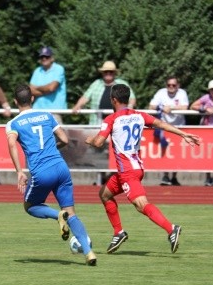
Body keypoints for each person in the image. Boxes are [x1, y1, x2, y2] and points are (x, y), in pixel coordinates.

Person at [85, 84, 201, 255]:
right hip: (135, 168)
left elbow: (98, 143)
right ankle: (118, 232)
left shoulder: (111, 119)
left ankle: (171, 229)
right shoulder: (139, 115)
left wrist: (89, 139)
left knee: (141, 205)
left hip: (127, 172)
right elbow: (161, 123)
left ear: (114, 100)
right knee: (104, 194)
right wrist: (182, 133)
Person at [6, 84, 96, 266]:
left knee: (30, 206)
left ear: (15, 101)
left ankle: (57, 216)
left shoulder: (13, 123)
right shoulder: (46, 115)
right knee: (72, 213)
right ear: (32, 98)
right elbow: (64, 139)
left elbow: (11, 144)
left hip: (41, 172)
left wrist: (19, 172)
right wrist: (53, 149)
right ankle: (89, 252)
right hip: (61, 168)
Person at [71, 60, 136, 185]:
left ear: (114, 73)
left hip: (118, 124)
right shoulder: (96, 84)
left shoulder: (122, 84)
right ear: (102, 73)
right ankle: (101, 177)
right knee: (98, 151)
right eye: (106, 72)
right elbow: (86, 97)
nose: (108, 74)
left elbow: (132, 98)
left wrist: (129, 109)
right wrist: (77, 106)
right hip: (99, 123)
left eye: (111, 72)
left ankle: (111, 178)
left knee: (115, 152)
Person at [148, 76, 190, 186]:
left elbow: (185, 107)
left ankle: (174, 177)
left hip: (178, 127)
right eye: (169, 85)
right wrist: (162, 107)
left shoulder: (182, 93)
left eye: (173, 85)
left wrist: (171, 108)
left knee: (177, 153)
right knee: (165, 152)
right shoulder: (161, 93)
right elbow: (151, 106)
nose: (171, 87)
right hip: (164, 127)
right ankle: (165, 175)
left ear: (178, 86)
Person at [29, 46, 67, 123]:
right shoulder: (37, 71)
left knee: (56, 135)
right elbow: (30, 91)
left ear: (52, 58)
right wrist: (46, 90)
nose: (44, 58)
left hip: (54, 112)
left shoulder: (59, 69)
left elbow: (52, 88)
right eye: (42, 56)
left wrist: (37, 88)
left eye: (47, 56)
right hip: (37, 111)